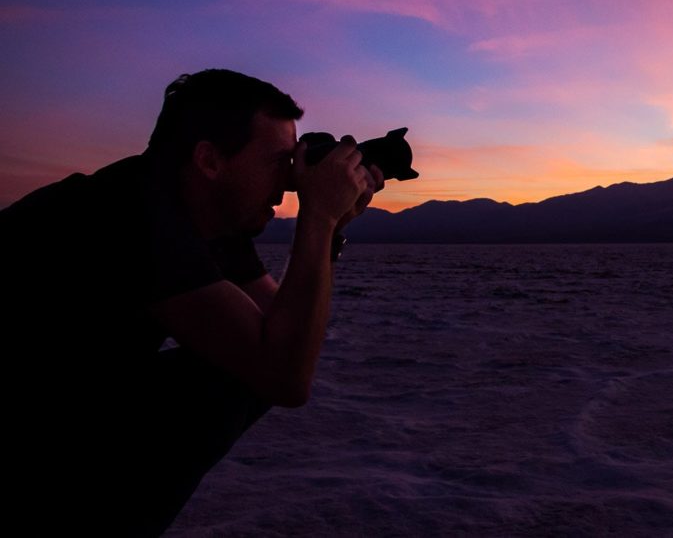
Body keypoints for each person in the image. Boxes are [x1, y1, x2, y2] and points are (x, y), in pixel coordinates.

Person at [1, 69, 385, 535]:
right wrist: (318, 219)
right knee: (234, 375)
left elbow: (279, 324)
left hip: (65, 408)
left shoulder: (208, 215)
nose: (288, 184)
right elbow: (285, 376)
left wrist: (330, 228)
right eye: (277, 162)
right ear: (209, 160)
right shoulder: (132, 216)